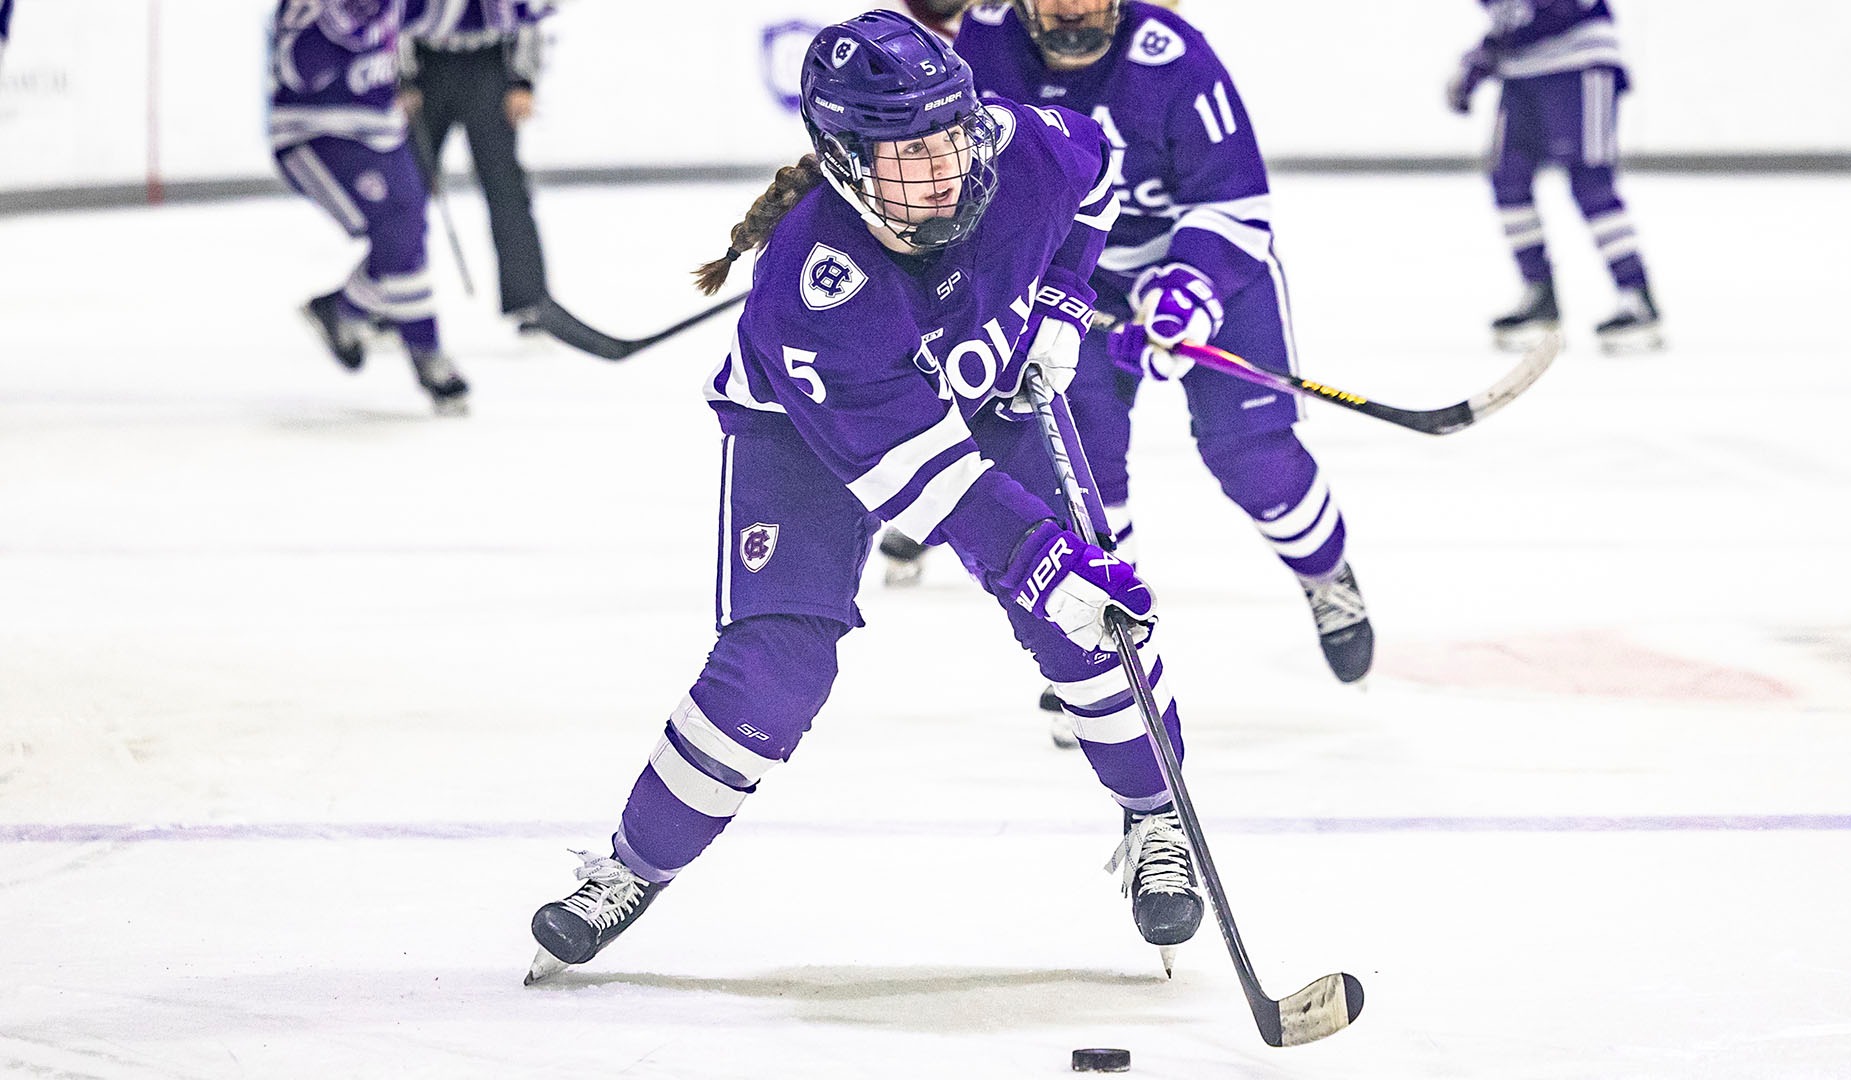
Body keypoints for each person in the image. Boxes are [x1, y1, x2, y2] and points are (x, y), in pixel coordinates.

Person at [525, 10, 1208, 983]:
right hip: (805, 437)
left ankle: (1156, 816)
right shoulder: (810, 290)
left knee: (1089, 625)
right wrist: (1039, 559)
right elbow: (922, 481)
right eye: (906, 157)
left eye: (948, 138)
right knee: (776, 666)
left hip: (984, 391)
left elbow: (1097, 168)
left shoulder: (1020, 150)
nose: (944, 172)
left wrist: (1058, 303)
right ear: (843, 161)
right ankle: (632, 867)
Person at [906, 0, 1373, 749]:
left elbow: (1236, 202)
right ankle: (1100, 652)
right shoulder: (985, 44)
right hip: (1071, 275)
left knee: (1254, 457)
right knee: (1078, 463)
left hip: (1206, 269)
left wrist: (1188, 285)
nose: (1073, 8)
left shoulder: (1171, 55)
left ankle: (1327, 575)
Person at [270, 0, 469, 415]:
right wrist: (343, 22)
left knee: (408, 232)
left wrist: (521, 8)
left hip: (383, 133)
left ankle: (344, 310)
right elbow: (297, 70)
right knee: (397, 231)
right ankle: (425, 350)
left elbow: (444, 16)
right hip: (316, 135)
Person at [1447, 0, 1663, 353]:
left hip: (1578, 64)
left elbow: (1561, 10)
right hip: (1520, 76)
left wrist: (1493, 51)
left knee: (1591, 184)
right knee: (1508, 180)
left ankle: (1636, 295)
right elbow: (1509, 20)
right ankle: (1539, 294)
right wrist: (1480, 61)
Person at [398, 0, 553, 332]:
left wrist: (522, 80)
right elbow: (390, 14)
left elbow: (528, 13)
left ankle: (529, 301)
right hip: (428, 69)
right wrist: (401, 78)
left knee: (506, 188)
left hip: (488, 68)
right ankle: (389, 300)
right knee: (405, 193)